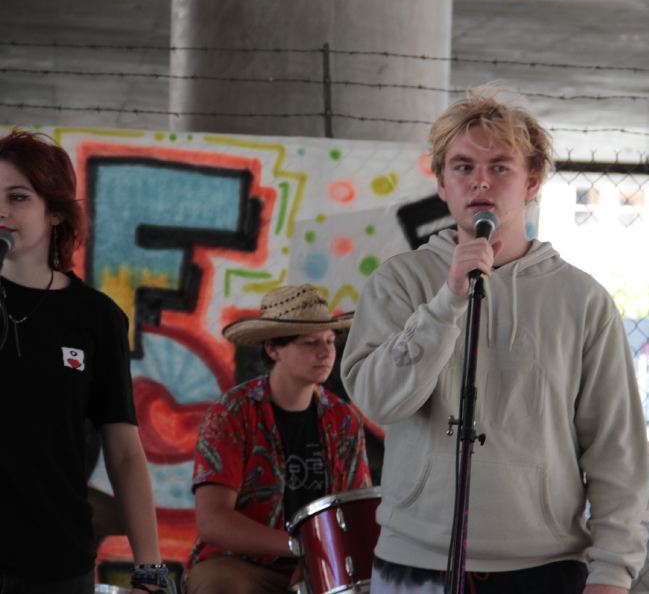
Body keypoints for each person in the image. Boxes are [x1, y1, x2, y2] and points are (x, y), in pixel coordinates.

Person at [342, 87, 649, 594]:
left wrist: (613, 572)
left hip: (544, 568)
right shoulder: (399, 282)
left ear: (532, 181)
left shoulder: (582, 299)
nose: (480, 180)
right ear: (441, 183)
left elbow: (616, 449)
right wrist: (447, 302)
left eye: (500, 167)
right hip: (413, 563)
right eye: (462, 167)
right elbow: (378, 400)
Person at [0, 130, 165, 593]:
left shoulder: (95, 318)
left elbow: (124, 451)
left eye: (17, 197)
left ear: (55, 212)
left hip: (54, 559)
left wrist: (150, 568)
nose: (1, 211)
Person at [187, 284, 372, 594]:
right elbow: (213, 521)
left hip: (322, 565)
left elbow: (355, 512)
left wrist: (315, 559)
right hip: (240, 564)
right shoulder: (232, 413)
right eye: (310, 342)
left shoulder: (344, 420)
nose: (326, 352)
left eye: (330, 340)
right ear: (273, 349)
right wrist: (300, 547)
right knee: (219, 584)